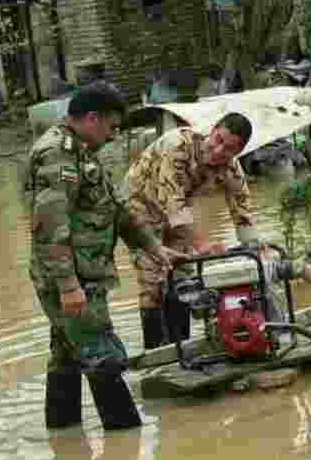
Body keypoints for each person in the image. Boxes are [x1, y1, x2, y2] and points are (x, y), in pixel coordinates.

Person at [27, 81, 182, 431]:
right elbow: (50, 222)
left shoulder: (81, 151)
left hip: (81, 275)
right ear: (92, 118)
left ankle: (65, 442)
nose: (113, 136)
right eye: (111, 127)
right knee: (103, 358)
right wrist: (68, 285)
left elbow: (115, 209)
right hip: (72, 279)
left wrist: (153, 247)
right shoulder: (58, 153)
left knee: (66, 357)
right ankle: (126, 446)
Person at [121, 112, 265, 349]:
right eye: (218, 140)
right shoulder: (177, 146)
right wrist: (203, 243)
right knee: (152, 281)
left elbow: (243, 211)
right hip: (138, 209)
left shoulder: (231, 169)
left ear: (236, 154)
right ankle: (155, 353)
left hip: (173, 214)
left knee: (184, 275)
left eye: (229, 149)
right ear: (212, 130)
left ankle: (181, 347)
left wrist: (256, 249)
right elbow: (173, 203)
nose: (219, 151)